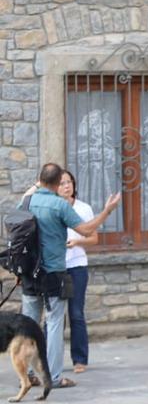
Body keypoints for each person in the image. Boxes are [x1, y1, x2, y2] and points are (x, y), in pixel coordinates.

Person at [20, 163, 120, 389]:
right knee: (55, 322)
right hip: (53, 272)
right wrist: (107, 211)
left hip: (28, 272)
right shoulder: (59, 205)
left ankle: (26, 375)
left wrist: (40, 182)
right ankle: (53, 377)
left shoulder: (26, 201)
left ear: (39, 181)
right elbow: (87, 230)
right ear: (57, 184)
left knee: (28, 324)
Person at [60, 170, 96, 375]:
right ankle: (50, 357)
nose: (67, 186)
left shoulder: (84, 208)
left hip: (77, 266)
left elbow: (94, 239)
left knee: (76, 313)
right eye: (63, 183)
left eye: (69, 182)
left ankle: (80, 359)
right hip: (56, 267)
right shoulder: (53, 207)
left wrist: (77, 242)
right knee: (54, 316)